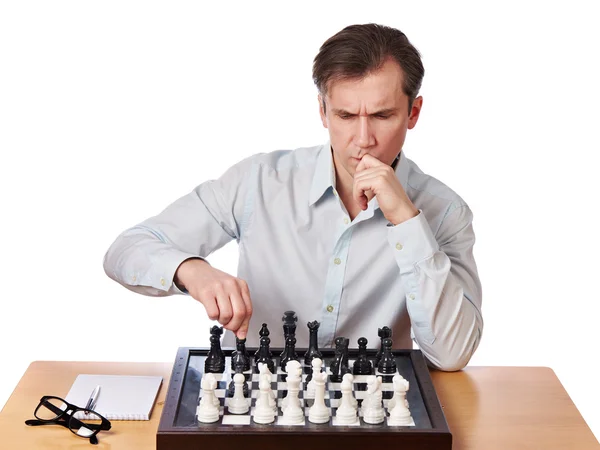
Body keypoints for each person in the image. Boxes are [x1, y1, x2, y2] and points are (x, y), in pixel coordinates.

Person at [104, 23, 483, 371]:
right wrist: (191, 271)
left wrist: (407, 221)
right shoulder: (259, 181)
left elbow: (452, 355)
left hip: (376, 413)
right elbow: (126, 250)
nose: (364, 139)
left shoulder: (445, 211)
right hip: (263, 406)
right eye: (346, 116)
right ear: (322, 111)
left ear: (413, 113)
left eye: (383, 116)